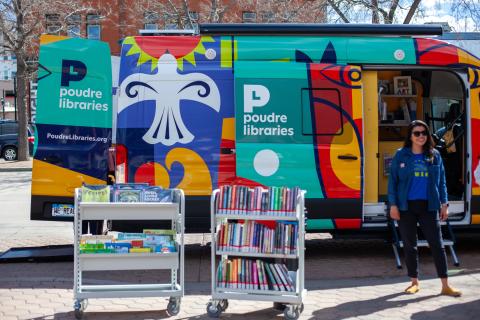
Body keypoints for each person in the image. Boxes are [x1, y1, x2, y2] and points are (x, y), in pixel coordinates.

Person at [388, 120, 461, 297]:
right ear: (410, 136)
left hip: (429, 206)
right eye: (417, 133)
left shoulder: (434, 155)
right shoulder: (401, 155)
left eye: (424, 133)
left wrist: (444, 204)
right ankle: (414, 282)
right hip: (406, 207)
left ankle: (445, 285)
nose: (421, 136)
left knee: (437, 244)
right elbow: (393, 182)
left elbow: (442, 182)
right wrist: (393, 205)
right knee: (410, 245)